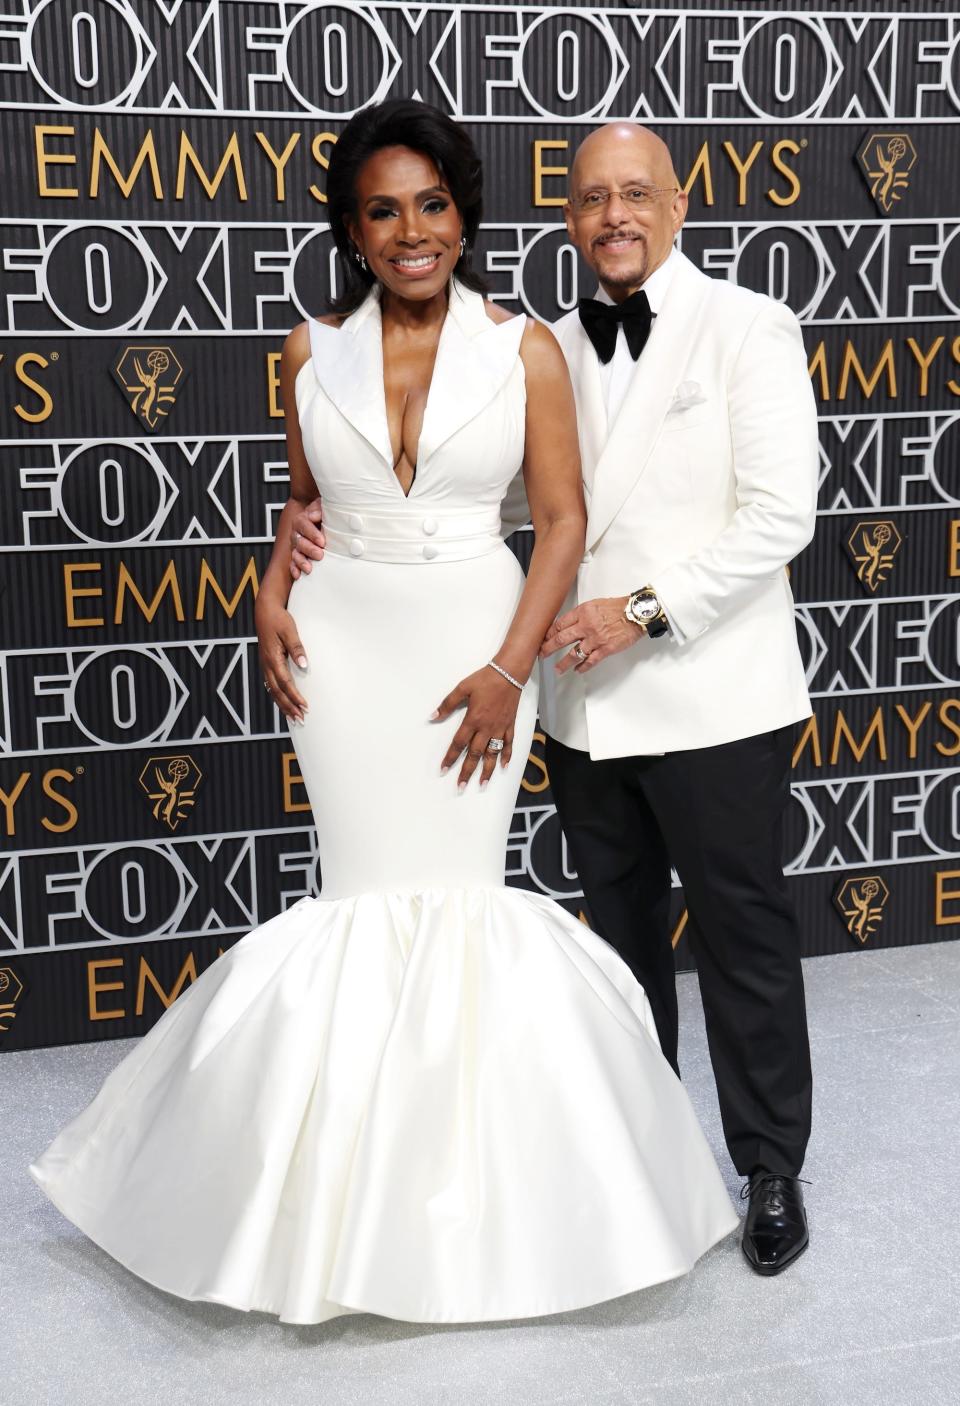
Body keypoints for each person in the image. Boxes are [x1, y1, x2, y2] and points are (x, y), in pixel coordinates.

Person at [30, 102, 737, 1326]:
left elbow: (560, 523)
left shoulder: (523, 350)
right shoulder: (309, 351)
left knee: (461, 898)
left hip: (474, 631)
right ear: (353, 233)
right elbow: (305, 503)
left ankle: (465, 1212)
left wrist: (512, 669)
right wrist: (265, 590)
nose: (412, 232)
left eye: (433, 206)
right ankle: (320, 1211)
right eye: (383, 211)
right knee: (355, 897)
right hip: (341, 645)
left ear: (463, 216)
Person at [290, 121, 818, 1278]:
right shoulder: (539, 342)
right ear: (566, 218)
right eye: (590, 198)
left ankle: (770, 1162)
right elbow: (504, 500)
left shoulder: (747, 326)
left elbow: (782, 516)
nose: (613, 216)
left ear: (677, 207)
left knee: (741, 934)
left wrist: (642, 608)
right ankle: (637, 1159)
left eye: (636, 195)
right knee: (617, 945)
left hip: (712, 688)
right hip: (582, 703)